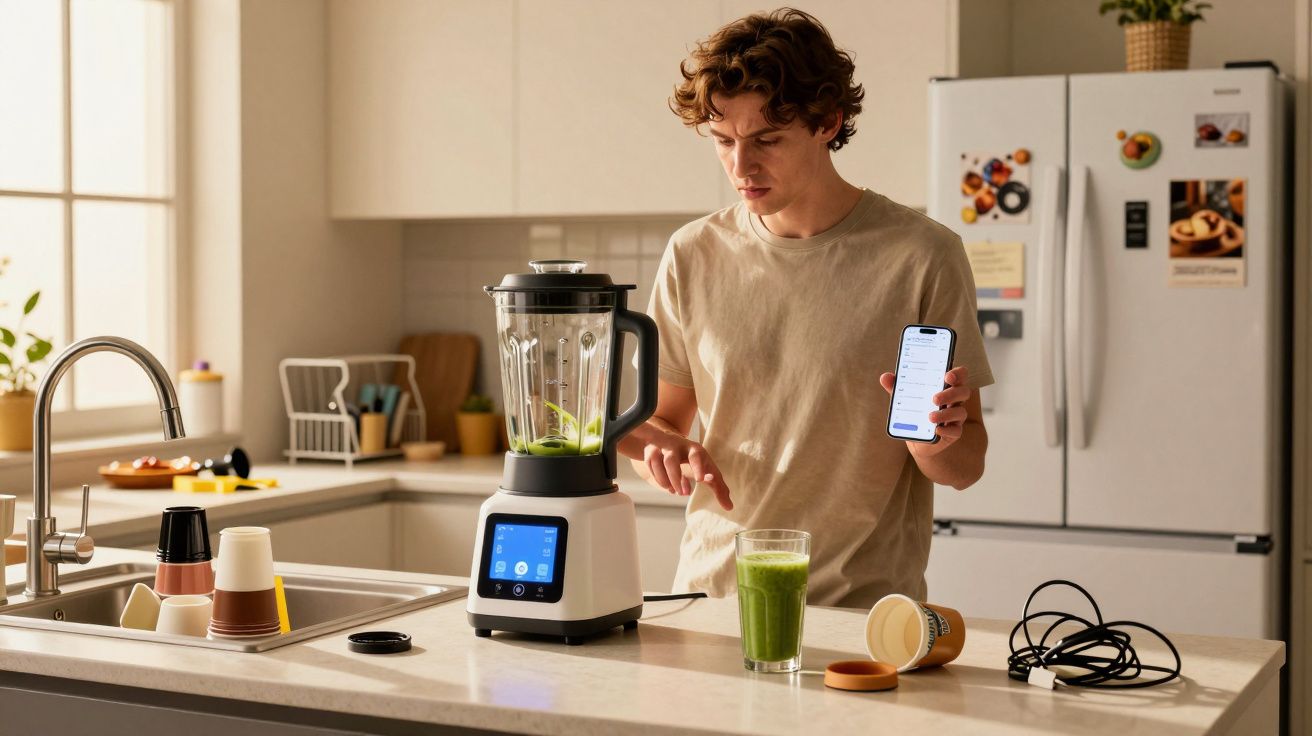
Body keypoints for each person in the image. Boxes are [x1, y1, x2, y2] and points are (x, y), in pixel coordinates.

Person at [615, 8, 993, 608]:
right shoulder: (694, 253)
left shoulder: (922, 255)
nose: (741, 166)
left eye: (767, 139)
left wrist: (933, 445)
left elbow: (965, 464)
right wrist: (662, 449)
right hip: (711, 600)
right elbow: (656, 423)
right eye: (723, 142)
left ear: (828, 122)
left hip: (860, 615)